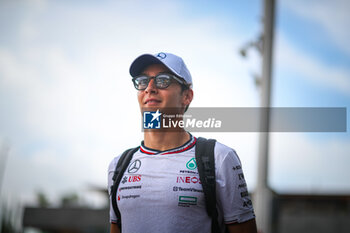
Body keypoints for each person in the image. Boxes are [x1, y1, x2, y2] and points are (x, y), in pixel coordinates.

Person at [108, 52, 257, 233]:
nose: (149, 88)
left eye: (163, 80)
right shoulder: (118, 165)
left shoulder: (220, 157)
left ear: (186, 96)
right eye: (142, 81)